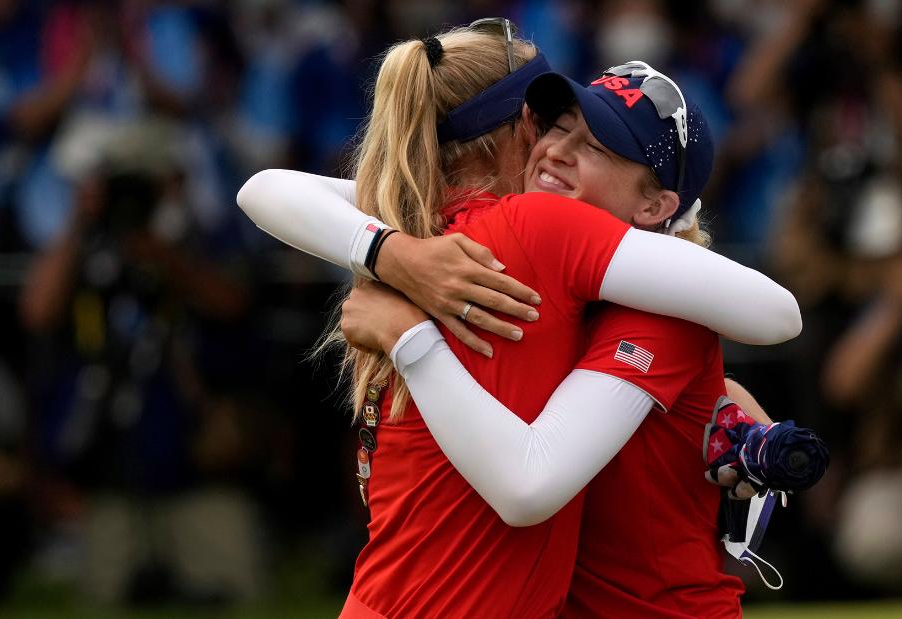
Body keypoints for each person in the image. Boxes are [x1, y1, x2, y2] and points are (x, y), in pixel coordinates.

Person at [237, 24, 802, 618]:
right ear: (520, 130)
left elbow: (265, 191)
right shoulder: (521, 229)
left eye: (599, 147)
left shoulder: (418, 222)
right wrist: (405, 304)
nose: (557, 148)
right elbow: (777, 314)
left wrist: (390, 258)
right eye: (556, 125)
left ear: (656, 205)